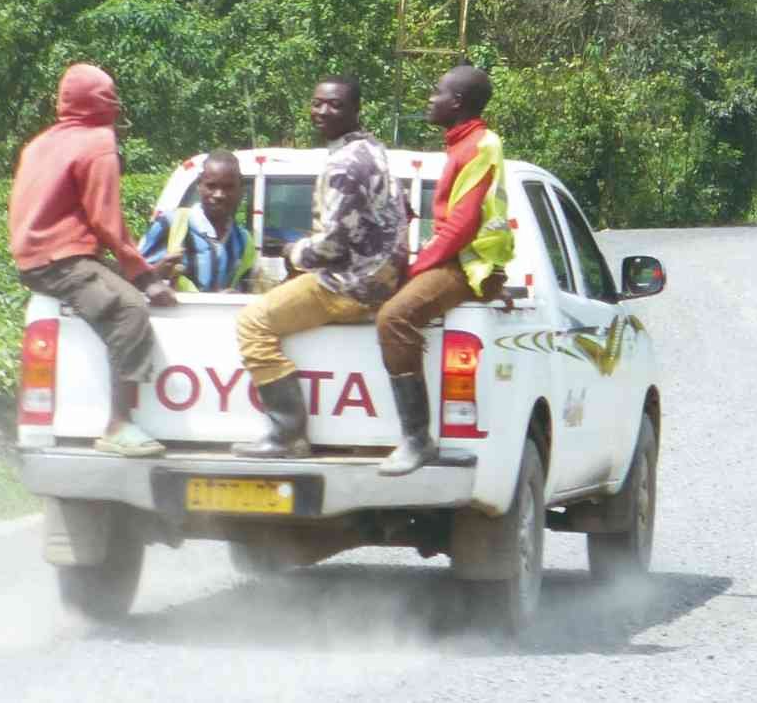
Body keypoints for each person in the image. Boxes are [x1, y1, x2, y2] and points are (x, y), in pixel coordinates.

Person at [228, 78, 405, 456]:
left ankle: (287, 433)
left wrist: (293, 253)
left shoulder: (345, 164)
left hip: (348, 285)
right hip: (378, 281)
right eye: (318, 104)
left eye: (335, 105)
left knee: (253, 321)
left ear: (356, 110)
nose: (323, 112)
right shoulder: (372, 149)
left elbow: (330, 245)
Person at [9, 62, 177, 458]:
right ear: (105, 103)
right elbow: (107, 220)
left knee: (118, 290)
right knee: (130, 309)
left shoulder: (41, 142)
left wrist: (135, 268)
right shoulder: (98, 142)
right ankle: (118, 424)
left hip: (37, 256)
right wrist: (145, 278)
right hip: (61, 259)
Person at [375, 62, 517, 475]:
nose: (430, 100)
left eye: (436, 92)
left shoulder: (480, 145)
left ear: (457, 102)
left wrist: (418, 268)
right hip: (462, 262)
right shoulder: (460, 143)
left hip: (467, 265)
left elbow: (462, 225)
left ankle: (417, 440)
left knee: (394, 317)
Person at [141, 150, 258, 293]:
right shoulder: (169, 224)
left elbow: (250, 291)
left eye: (228, 187)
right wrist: (157, 273)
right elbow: (133, 281)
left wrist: (236, 295)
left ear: (241, 189)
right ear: (199, 185)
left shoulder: (244, 241)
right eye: (211, 186)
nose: (219, 195)